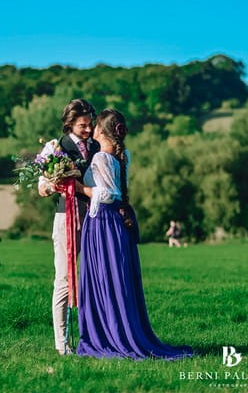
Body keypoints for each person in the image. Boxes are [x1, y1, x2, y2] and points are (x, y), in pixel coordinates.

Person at [74, 109, 193, 360]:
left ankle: (108, 336)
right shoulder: (123, 156)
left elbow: (106, 194)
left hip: (103, 223)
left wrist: (80, 187)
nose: (91, 129)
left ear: (102, 131)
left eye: (95, 126)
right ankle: (122, 329)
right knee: (117, 280)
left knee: (104, 279)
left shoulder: (100, 159)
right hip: (119, 222)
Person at [37, 99, 99, 355]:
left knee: (94, 278)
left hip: (95, 217)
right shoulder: (54, 148)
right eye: (83, 125)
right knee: (63, 280)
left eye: (90, 124)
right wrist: (56, 185)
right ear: (70, 124)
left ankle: (95, 337)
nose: (88, 129)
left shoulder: (97, 145)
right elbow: (41, 188)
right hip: (66, 218)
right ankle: (62, 344)